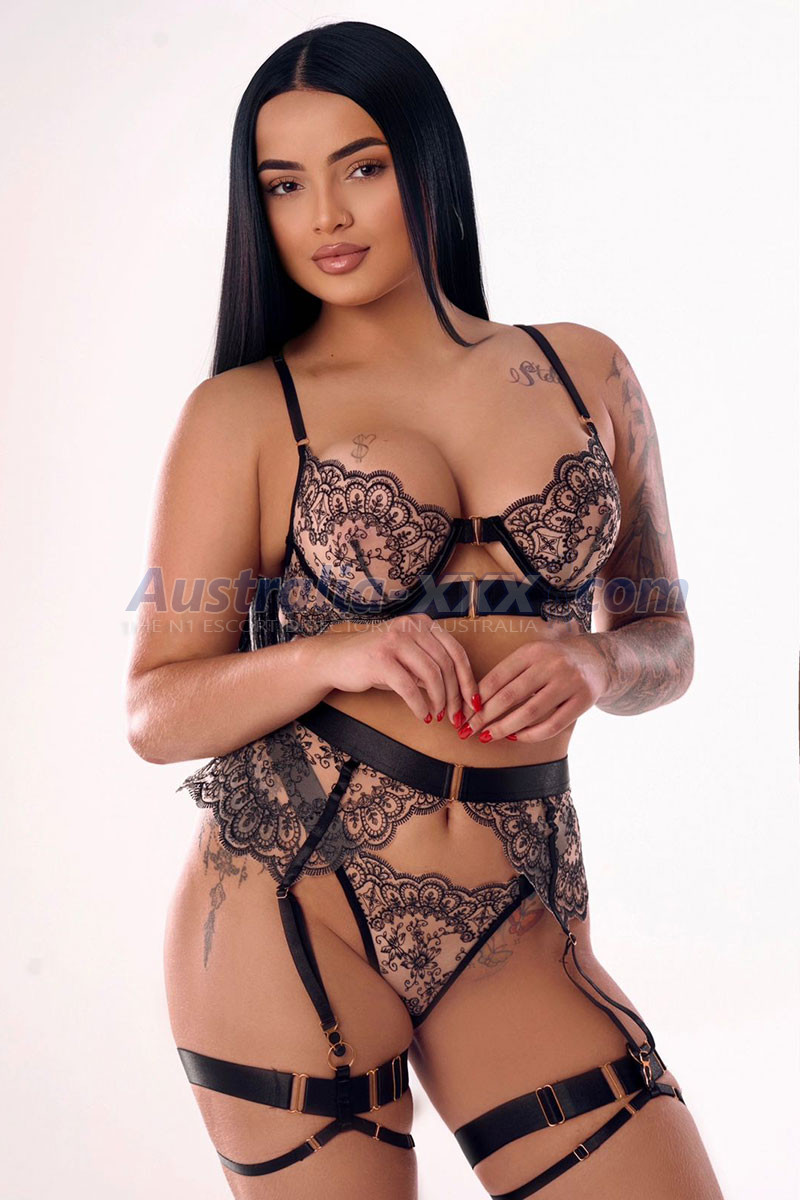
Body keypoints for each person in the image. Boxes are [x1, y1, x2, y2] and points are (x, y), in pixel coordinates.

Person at [126, 20, 725, 1200]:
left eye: (360, 166)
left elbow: (666, 640)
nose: (325, 217)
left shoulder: (584, 373)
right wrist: (330, 655)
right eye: (283, 185)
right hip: (289, 905)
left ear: (427, 162)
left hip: (520, 917)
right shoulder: (244, 412)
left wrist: (600, 666)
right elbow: (155, 711)